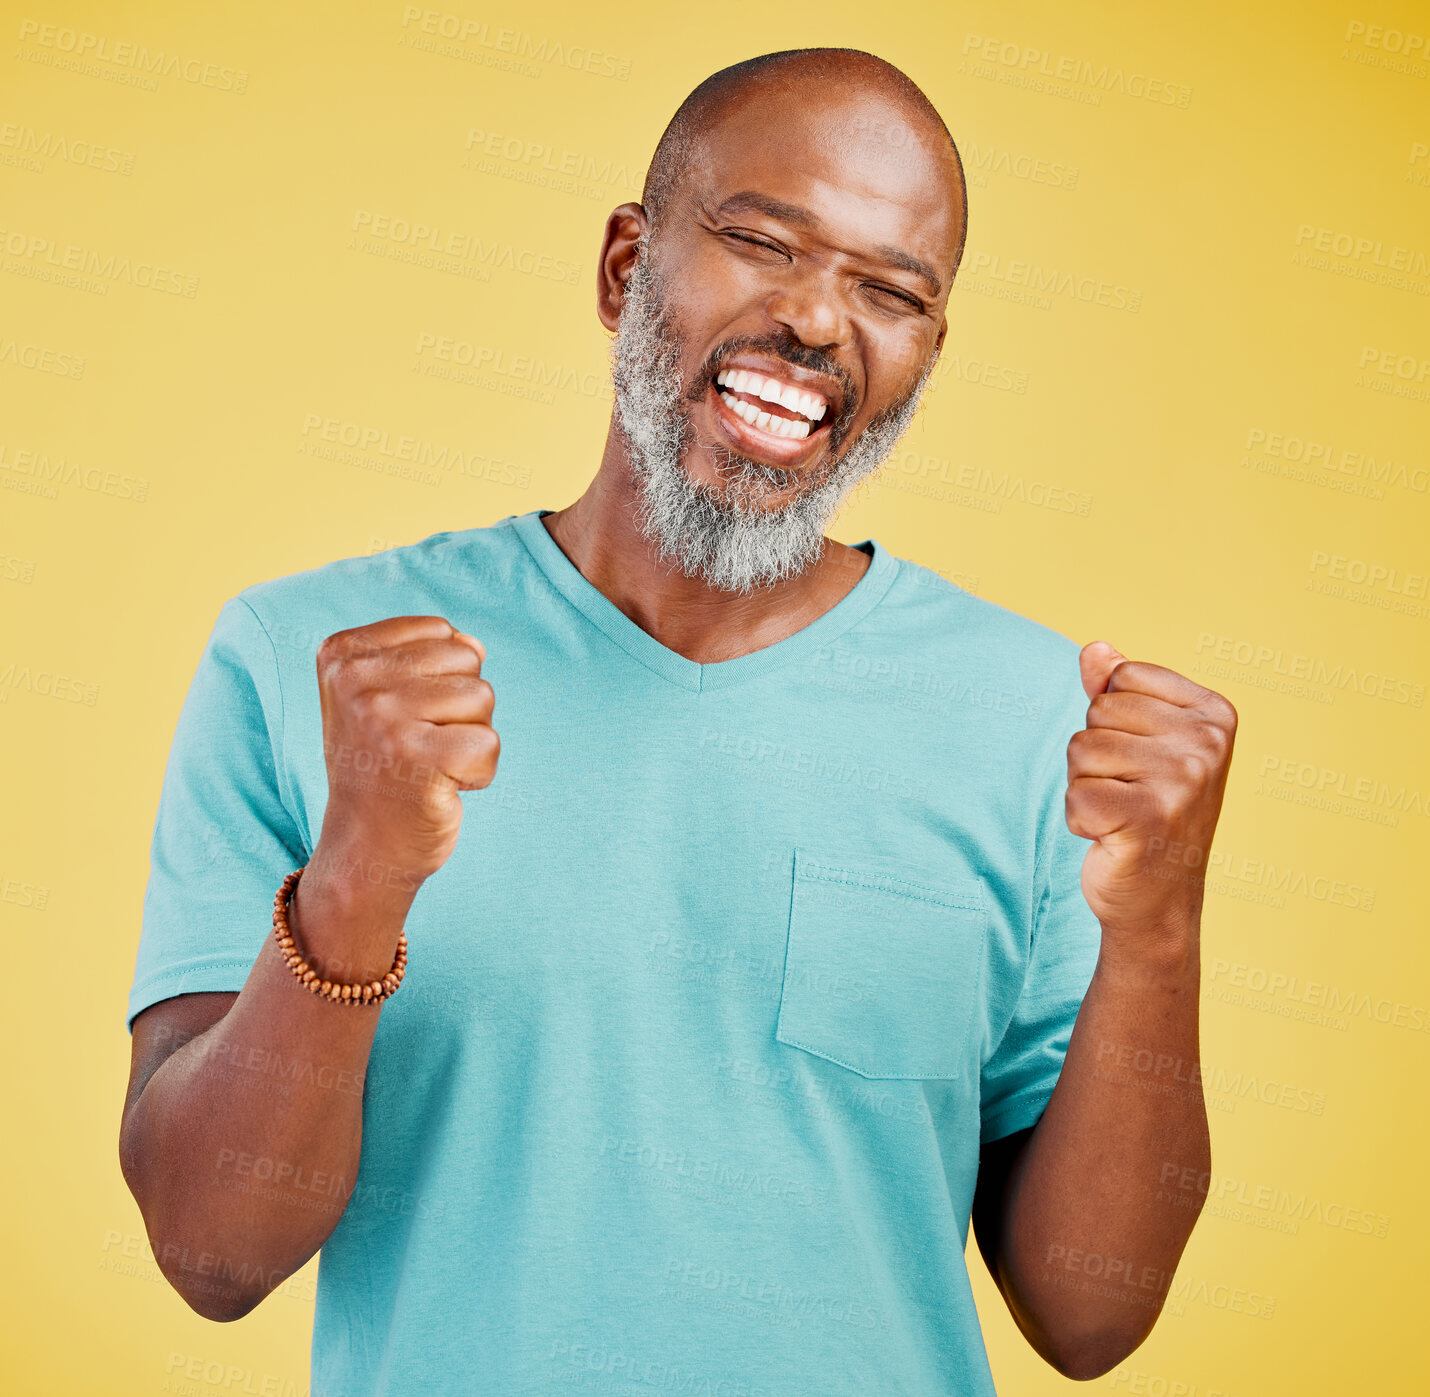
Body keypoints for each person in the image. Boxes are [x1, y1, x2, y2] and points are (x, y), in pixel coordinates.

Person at [120, 47, 1236, 1396]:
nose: (819, 322)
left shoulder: (1042, 724)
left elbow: (1090, 1314)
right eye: (762, 241)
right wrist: (357, 874)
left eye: (890, 291)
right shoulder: (312, 663)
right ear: (621, 268)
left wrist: (1159, 919)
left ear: (923, 356)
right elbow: (208, 1250)